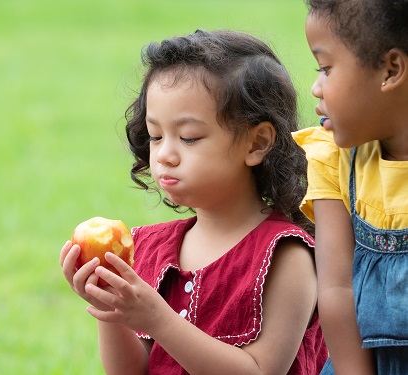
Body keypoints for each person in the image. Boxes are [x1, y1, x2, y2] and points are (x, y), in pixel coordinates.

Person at [60, 29, 327, 375]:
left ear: (256, 143)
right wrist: (111, 308)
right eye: (156, 136)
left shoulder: (286, 255)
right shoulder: (148, 248)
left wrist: (158, 319)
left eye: (188, 138)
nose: (165, 155)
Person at [293, 1, 408, 374]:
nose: (315, 87)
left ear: (391, 70)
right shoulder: (334, 158)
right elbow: (336, 290)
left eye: (326, 68)